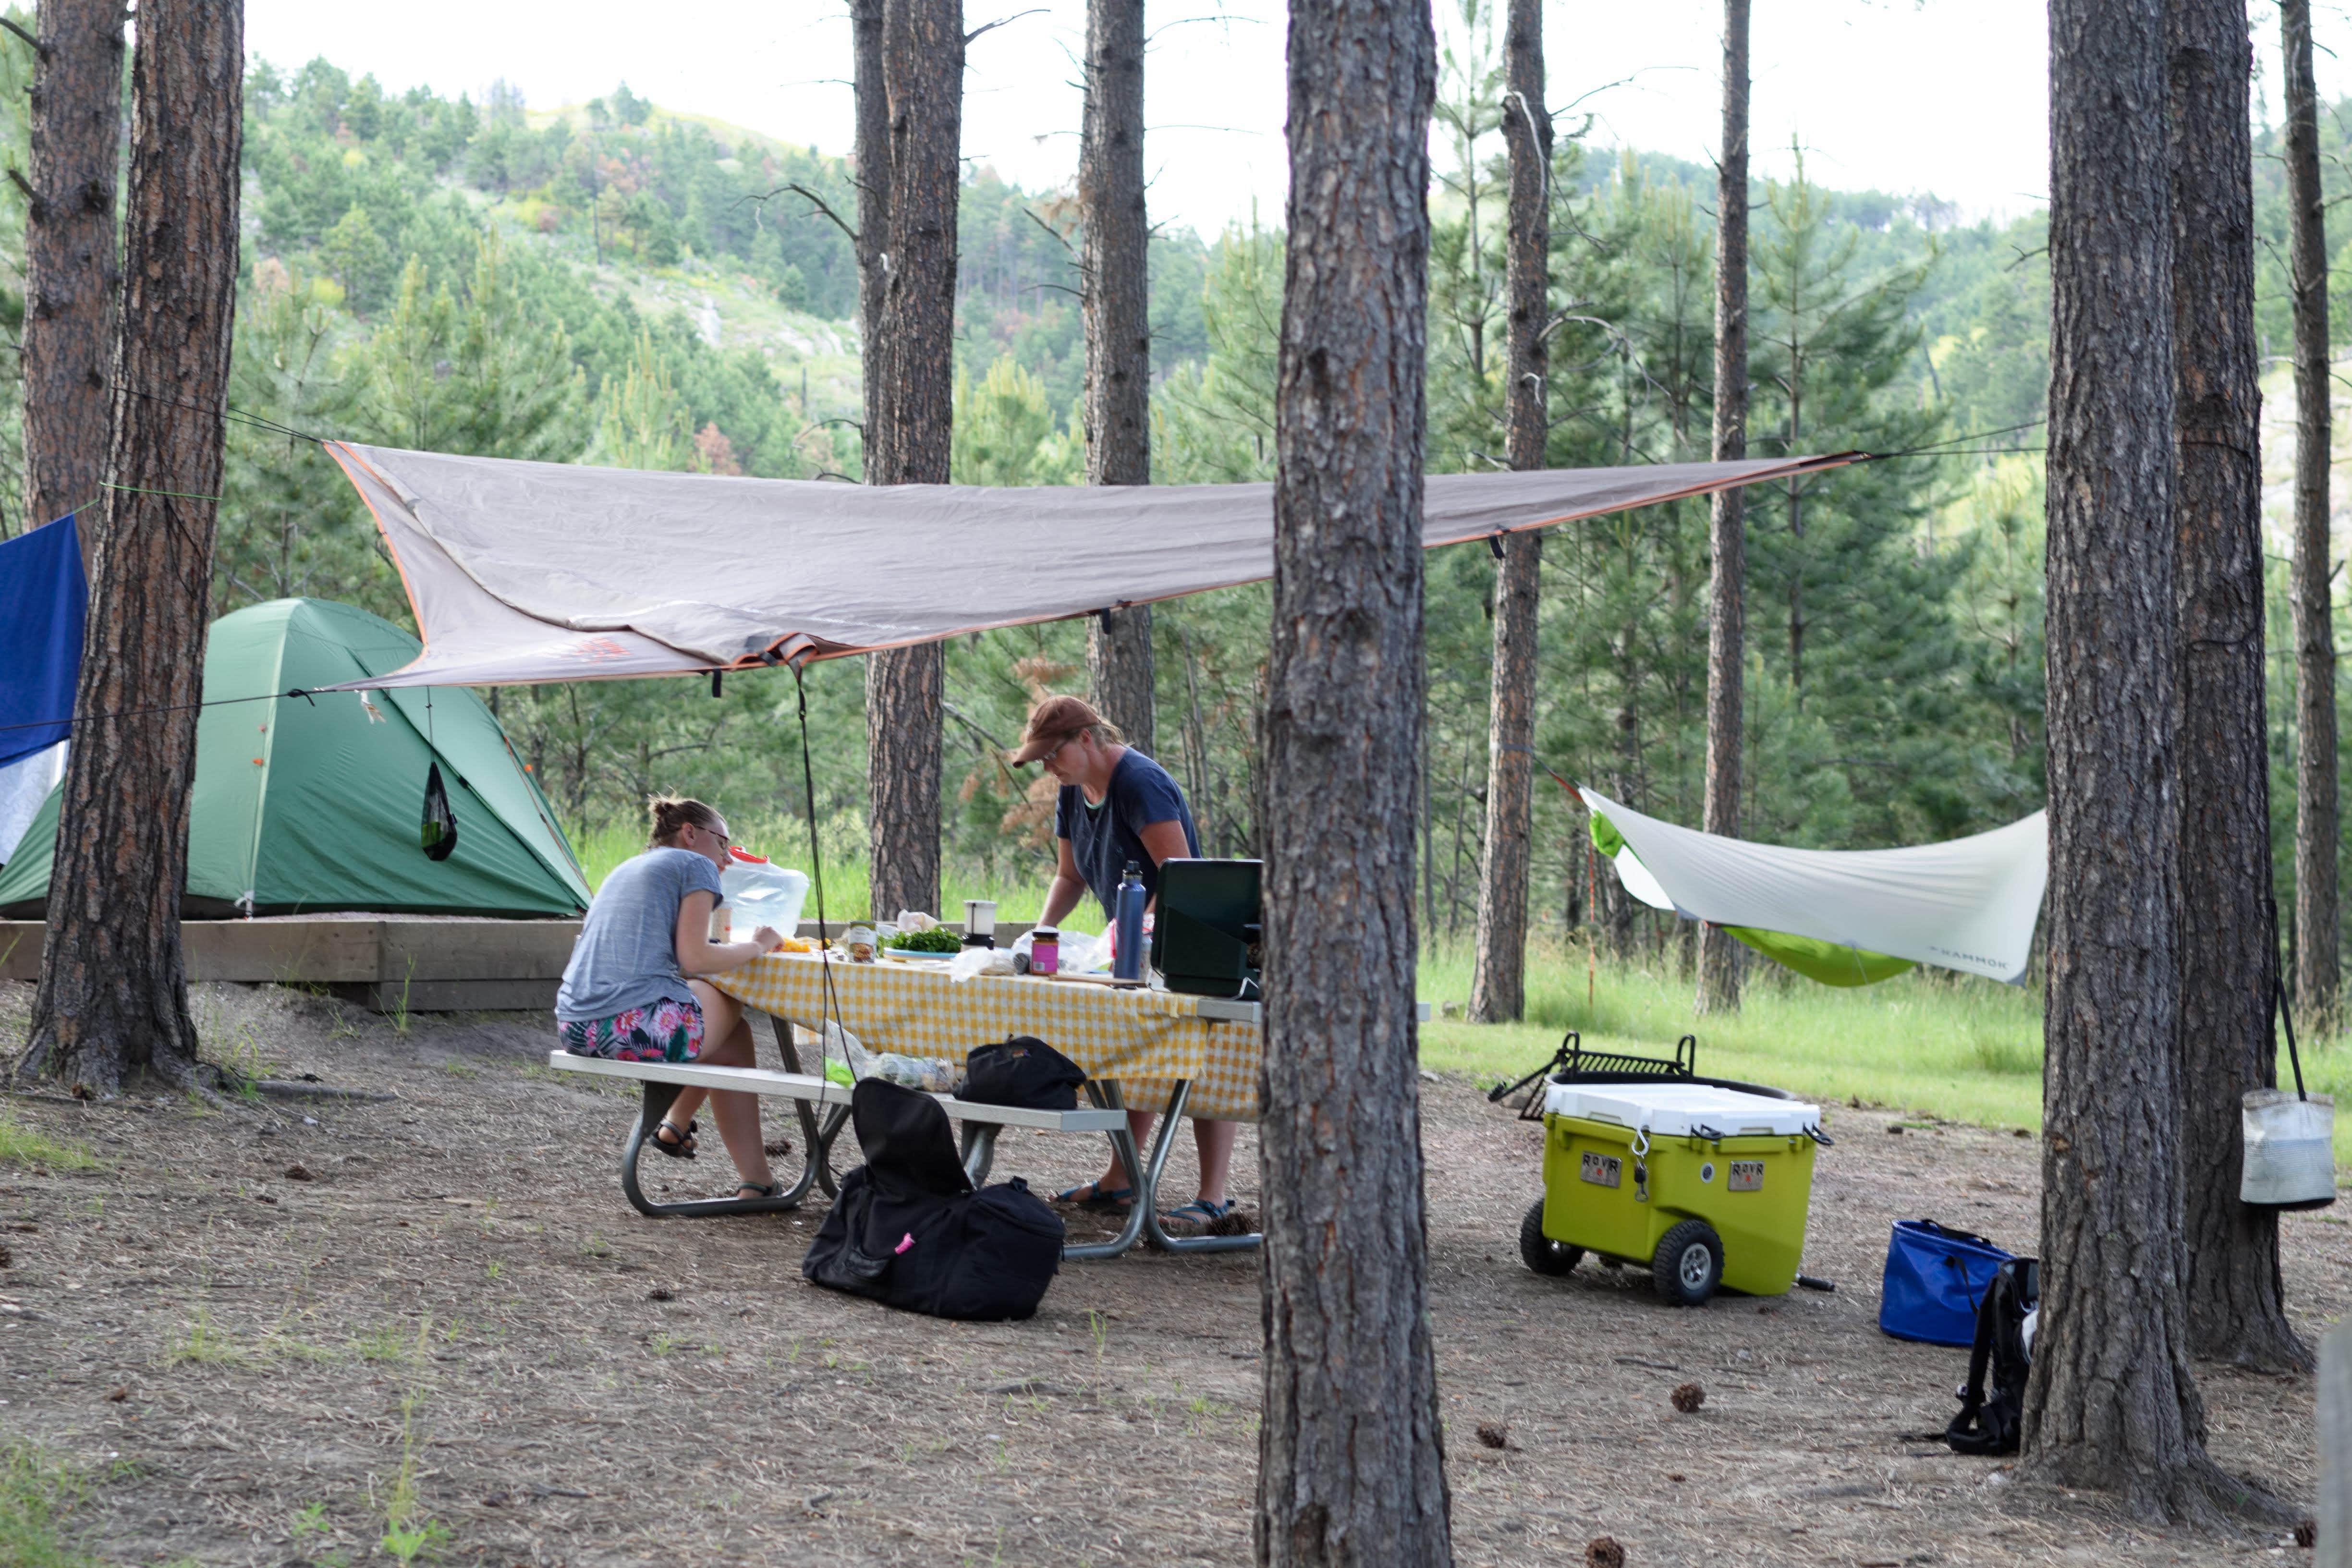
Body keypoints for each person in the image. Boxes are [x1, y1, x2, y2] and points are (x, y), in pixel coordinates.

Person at [1011, 694, 1235, 1236]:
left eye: (1052, 754)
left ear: (1086, 738)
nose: (1048, 767)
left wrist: (1134, 931)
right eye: (1040, 759)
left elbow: (1180, 875)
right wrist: (1043, 930)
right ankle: (1123, 1176)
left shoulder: (1140, 782)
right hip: (1131, 945)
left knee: (1202, 1058)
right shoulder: (1073, 789)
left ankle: (1214, 1197)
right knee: (1136, 1048)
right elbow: (1070, 876)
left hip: (1190, 939)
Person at [556, 795, 786, 1200]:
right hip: (626, 1025)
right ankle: (677, 1123)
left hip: (577, 1024)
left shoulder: (630, 866)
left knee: (734, 1038)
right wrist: (758, 946)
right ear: (690, 833)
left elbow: (673, 961)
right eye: (723, 844)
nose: (728, 858)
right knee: (726, 997)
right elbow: (695, 958)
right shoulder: (694, 863)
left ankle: (754, 1179)